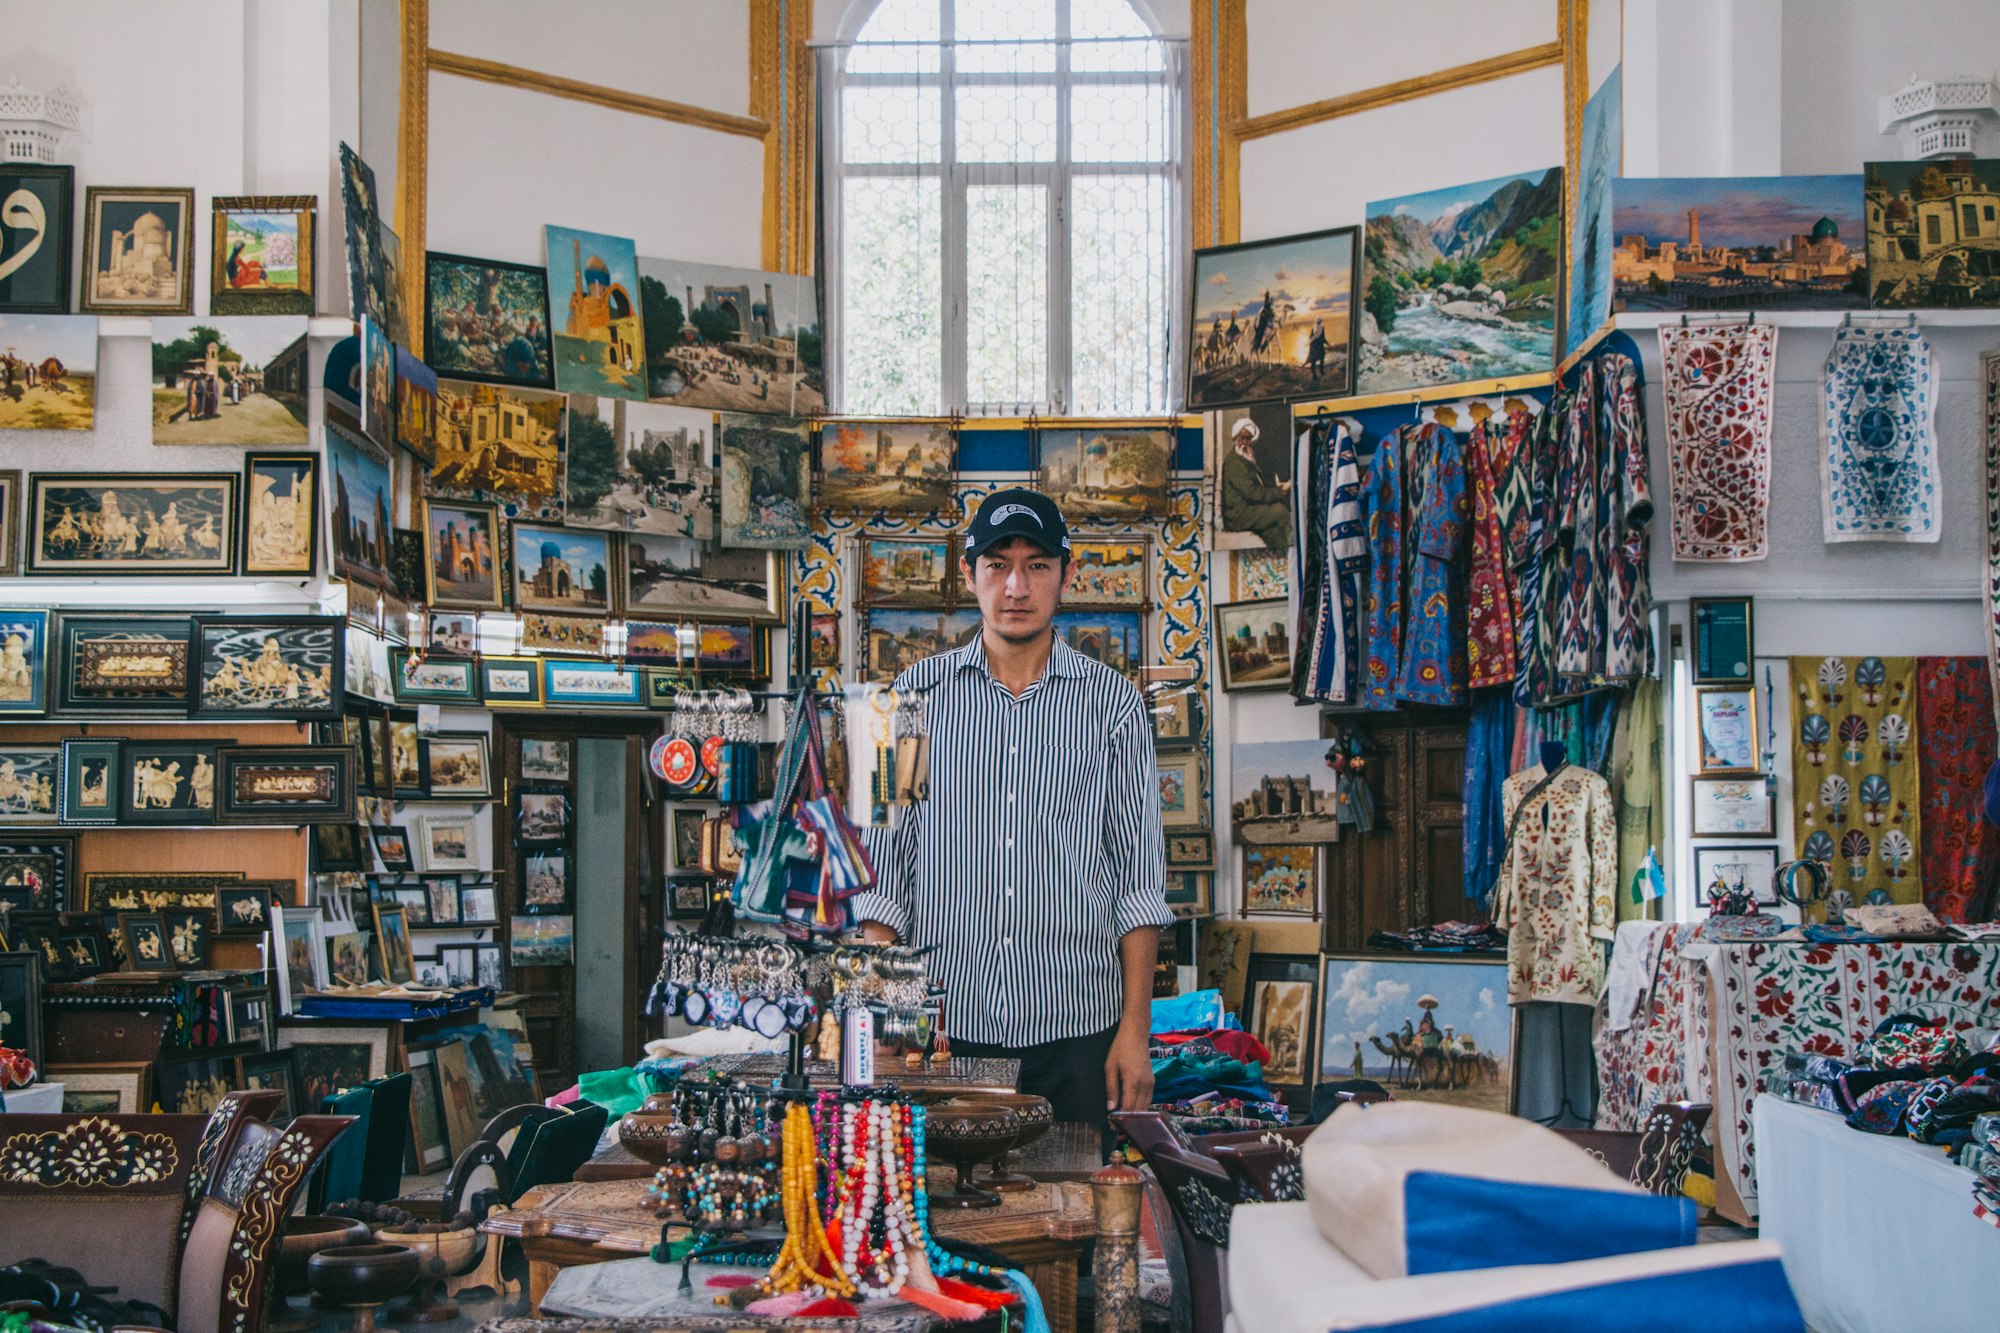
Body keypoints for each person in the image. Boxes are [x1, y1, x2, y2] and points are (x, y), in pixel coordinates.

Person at [854, 487, 1172, 1143]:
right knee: (947, 1231)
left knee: (1075, 1226)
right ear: (967, 573)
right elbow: (878, 885)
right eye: (998, 564)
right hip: (941, 1032)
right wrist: (879, 1021)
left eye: (1038, 564)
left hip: (1082, 1032)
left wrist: (1135, 1031)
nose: (1017, 585)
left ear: (1068, 574)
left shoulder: (1114, 705)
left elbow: (1140, 883)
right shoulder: (900, 703)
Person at [1220, 417, 1293, 549]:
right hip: (1239, 515)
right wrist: (1278, 492)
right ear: (1236, 438)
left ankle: (1286, 559)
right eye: (1241, 438)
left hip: (1247, 511)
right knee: (1280, 511)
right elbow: (1252, 493)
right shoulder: (1235, 463)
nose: (1244, 442)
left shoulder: (1245, 457)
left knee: (1274, 533)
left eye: (1248, 439)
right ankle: (1293, 550)